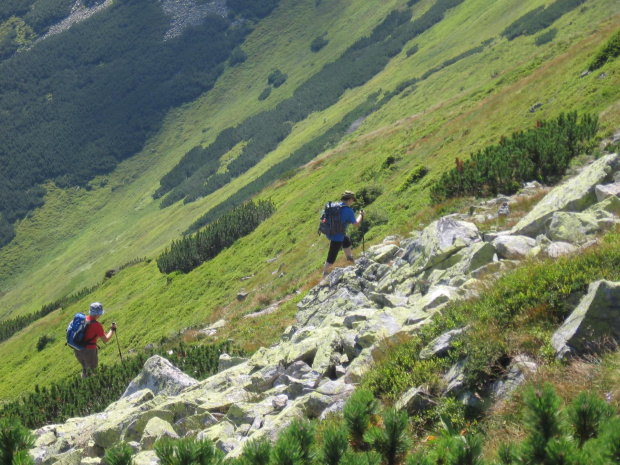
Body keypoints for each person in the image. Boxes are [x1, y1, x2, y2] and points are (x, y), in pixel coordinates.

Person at [323, 190, 364, 277]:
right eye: (352, 200)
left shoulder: (334, 206)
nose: (352, 202)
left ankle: (349, 258)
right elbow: (356, 224)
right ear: (349, 199)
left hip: (330, 232)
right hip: (337, 236)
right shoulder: (348, 210)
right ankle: (325, 273)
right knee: (332, 256)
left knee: (346, 239)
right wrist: (361, 215)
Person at [74, 302, 117, 378]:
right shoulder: (96, 325)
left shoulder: (84, 319)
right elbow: (105, 339)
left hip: (78, 350)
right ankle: (92, 388)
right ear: (97, 314)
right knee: (91, 372)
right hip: (89, 352)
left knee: (85, 370)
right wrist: (113, 329)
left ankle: (83, 387)